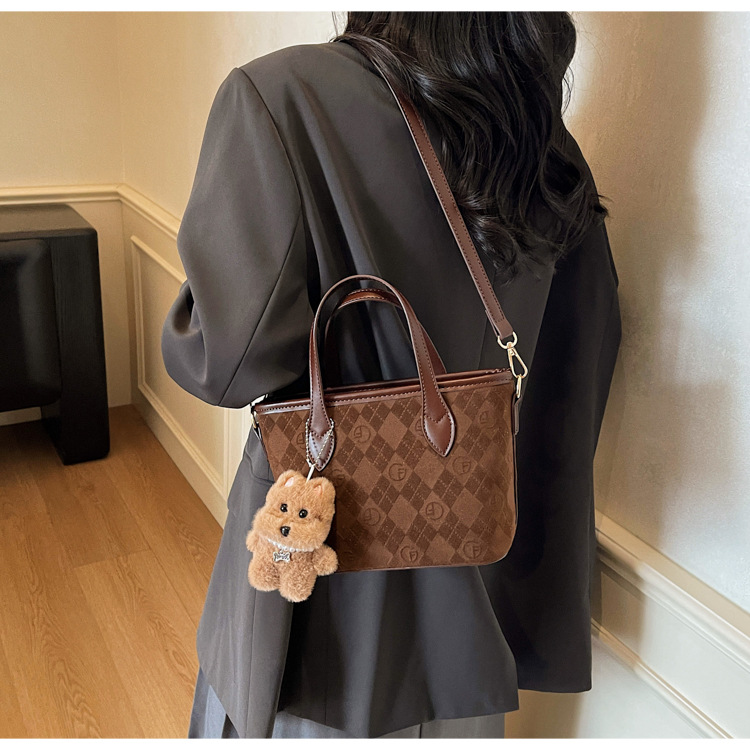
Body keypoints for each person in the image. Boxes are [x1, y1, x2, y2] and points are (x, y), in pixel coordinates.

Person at [161, 11, 621, 739]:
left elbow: (226, 364)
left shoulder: (282, 96)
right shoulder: (543, 140)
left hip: (326, 599)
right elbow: (581, 358)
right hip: (476, 612)